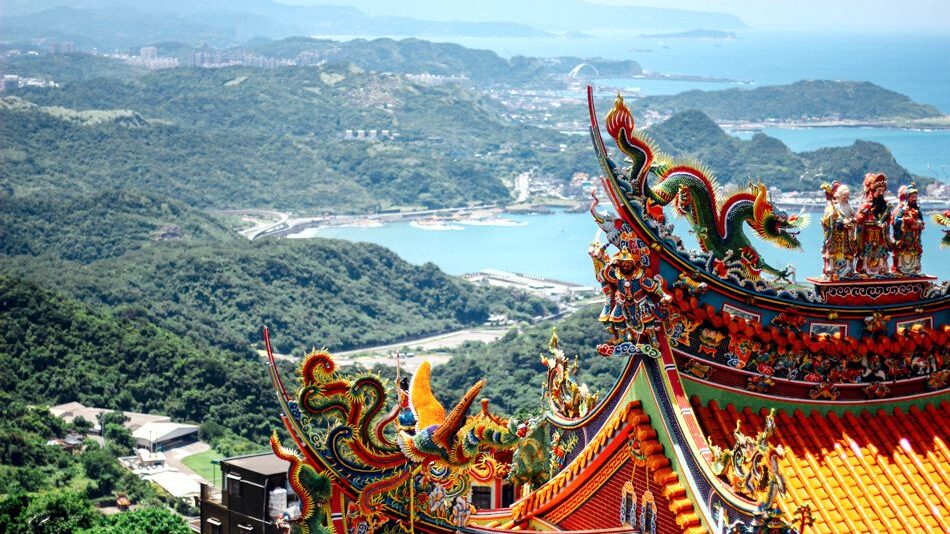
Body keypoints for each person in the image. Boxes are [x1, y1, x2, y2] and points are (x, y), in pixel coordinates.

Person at [854, 173, 892, 276]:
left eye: (883, 191)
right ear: (873, 191)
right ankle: (864, 268)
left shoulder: (885, 206)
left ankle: (882, 268)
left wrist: (885, 224)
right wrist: (864, 215)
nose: (881, 193)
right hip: (867, 235)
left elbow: (888, 219)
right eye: (878, 191)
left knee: (881, 251)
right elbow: (859, 220)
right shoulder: (867, 205)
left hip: (880, 235)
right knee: (867, 251)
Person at [820, 181, 856, 280]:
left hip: (846, 234)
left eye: (847, 197)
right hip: (836, 234)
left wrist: (851, 222)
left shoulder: (848, 207)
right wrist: (839, 222)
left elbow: (854, 217)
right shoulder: (834, 207)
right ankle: (833, 269)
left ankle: (848, 268)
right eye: (844, 197)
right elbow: (829, 220)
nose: (846, 199)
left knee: (847, 250)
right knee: (834, 251)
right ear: (838, 196)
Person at [891, 184, 924, 275]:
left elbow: (921, 221)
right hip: (904, 237)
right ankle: (900, 268)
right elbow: (896, 221)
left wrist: (919, 223)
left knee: (914, 251)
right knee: (903, 251)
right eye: (912, 197)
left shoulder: (918, 210)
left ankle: (915, 268)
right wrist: (905, 221)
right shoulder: (902, 209)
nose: (914, 199)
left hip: (914, 237)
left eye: (915, 197)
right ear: (907, 197)